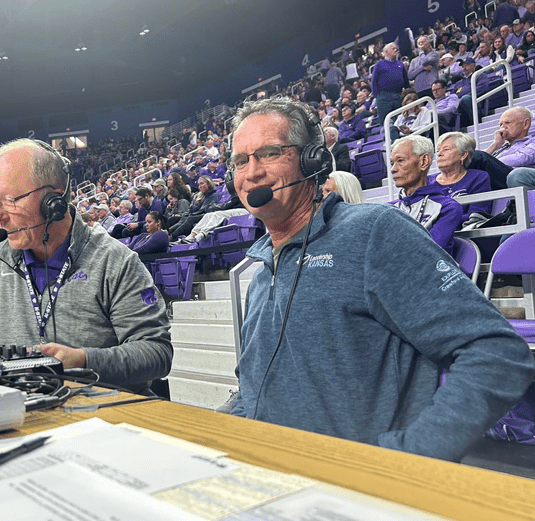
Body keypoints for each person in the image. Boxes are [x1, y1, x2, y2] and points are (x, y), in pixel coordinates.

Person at [227, 95, 534, 462]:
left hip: (359, 496)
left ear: (313, 160)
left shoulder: (374, 232)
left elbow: (496, 351)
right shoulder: (262, 273)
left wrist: (407, 459)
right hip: (274, 483)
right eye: (240, 161)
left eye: (268, 154)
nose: (251, 173)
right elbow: (250, 390)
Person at [0, 138, 172, 394]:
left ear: (53, 201)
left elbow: (157, 353)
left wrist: (83, 360)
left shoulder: (115, 261)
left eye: (10, 200)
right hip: (12, 417)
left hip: (99, 421)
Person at [389, 135, 463, 256]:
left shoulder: (448, 208)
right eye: (392, 163)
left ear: (424, 162)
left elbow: (427, 252)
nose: (393, 169)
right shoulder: (386, 209)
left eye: (400, 161)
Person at [429, 132, 492, 223]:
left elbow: (476, 215)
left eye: (446, 149)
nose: (439, 154)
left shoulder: (478, 178)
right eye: (438, 151)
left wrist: (441, 222)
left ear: (463, 155)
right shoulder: (426, 181)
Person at [483, 106, 535, 192]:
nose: (503, 128)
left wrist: (491, 163)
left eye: (507, 123)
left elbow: (523, 158)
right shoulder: (499, 148)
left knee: (517, 175)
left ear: (526, 124)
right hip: (499, 180)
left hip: (518, 177)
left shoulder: (532, 142)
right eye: (501, 125)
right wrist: (495, 145)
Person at [370, 42, 410, 129]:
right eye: (393, 48)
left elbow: (406, 80)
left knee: (400, 120)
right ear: (386, 52)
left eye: (396, 48)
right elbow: (374, 82)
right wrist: (378, 96)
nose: (396, 50)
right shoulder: (379, 65)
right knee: (385, 122)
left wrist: (407, 90)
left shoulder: (400, 64)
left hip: (398, 96)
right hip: (384, 97)